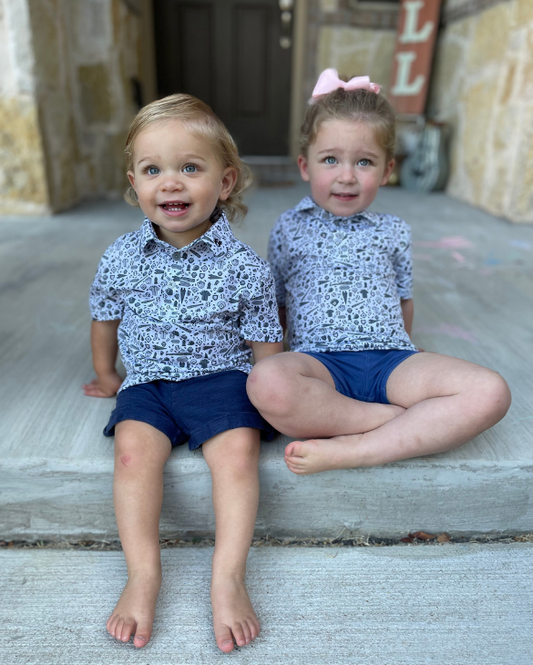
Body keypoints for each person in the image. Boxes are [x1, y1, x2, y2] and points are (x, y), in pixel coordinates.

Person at [82, 94, 283, 652]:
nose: (170, 182)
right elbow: (104, 316)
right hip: (147, 383)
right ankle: (143, 574)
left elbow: (265, 341)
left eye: (190, 168)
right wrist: (107, 374)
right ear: (134, 183)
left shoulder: (245, 267)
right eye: (153, 170)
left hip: (222, 379)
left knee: (237, 456)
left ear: (225, 181)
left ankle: (228, 577)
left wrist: (272, 401)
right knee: (132, 455)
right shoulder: (122, 255)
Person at [247, 69, 511, 476]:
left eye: (364, 162)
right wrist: (287, 365)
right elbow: (278, 303)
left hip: (391, 360)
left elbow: (404, 300)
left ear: (387, 171)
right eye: (330, 159)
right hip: (319, 363)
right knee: (265, 382)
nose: (347, 175)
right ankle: (392, 421)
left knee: (491, 392)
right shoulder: (288, 227)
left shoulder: (393, 230)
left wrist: (409, 357)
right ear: (305, 165)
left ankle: (360, 448)